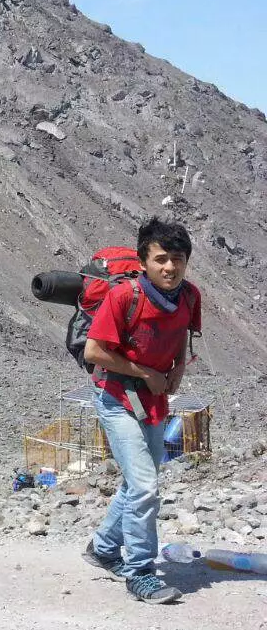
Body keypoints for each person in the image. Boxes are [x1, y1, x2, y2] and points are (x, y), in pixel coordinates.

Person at [82, 218, 201, 605]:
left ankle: (102, 548)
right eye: (161, 258)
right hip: (116, 397)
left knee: (139, 483)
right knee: (147, 486)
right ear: (144, 260)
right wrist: (146, 372)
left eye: (177, 259)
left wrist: (178, 368)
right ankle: (140, 572)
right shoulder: (124, 297)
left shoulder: (188, 296)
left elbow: (182, 331)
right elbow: (94, 351)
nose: (170, 267)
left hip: (154, 400)